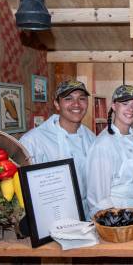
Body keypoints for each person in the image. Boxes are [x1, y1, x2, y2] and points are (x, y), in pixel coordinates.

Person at [20, 80, 96, 218]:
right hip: (51, 218)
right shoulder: (33, 141)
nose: (76, 104)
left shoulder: (92, 139)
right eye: (68, 99)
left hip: (89, 216)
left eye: (82, 99)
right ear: (57, 104)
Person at [86, 85, 133, 215]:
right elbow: (98, 198)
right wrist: (115, 222)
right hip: (118, 216)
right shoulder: (103, 144)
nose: (130, 109)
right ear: (113, 106)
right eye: (125, 103)